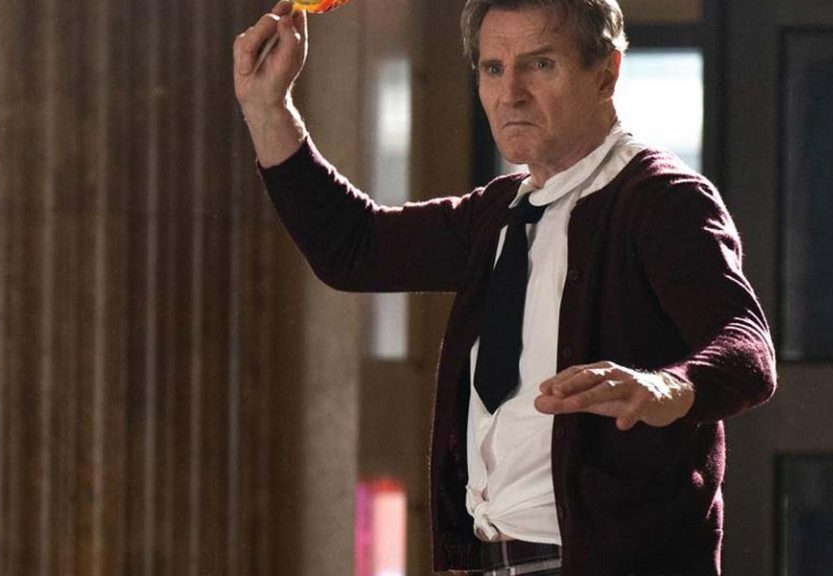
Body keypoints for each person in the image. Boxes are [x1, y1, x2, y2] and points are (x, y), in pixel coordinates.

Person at [233, 0, 777, 574]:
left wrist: (667, 387)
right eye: (493, 68)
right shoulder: (496, 214)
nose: (510, 93)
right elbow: (354, 249)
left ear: (606, 73)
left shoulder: (661, 198)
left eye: (539, 65)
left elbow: (746, 344)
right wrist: (268, 107)